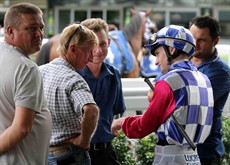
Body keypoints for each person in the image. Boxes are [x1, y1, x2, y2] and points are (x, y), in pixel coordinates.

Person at [111, 25, 214, 165]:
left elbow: (143, 126)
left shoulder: (168, 81)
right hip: (194, 156)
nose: (156, 61)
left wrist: (119, 122)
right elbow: (167, 118)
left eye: (158, 53)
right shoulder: (204, 79)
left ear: (172, 50)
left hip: (169, 157)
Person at [39, 23, 99, 165]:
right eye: (89, 52)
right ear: (73, 49)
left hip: (43, 155)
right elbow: (91, 110)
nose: (91, 58)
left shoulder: (39, 71)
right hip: (70, 156)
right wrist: (84, 141)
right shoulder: (74, 79)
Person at [0, 3, 52, 164]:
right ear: (10, 31)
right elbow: (22, 128)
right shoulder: (26, 68)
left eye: (41, 27)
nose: (39, 34)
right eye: (31, 28)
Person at [79, 18, 126, 165]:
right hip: (78, 153)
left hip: (106, 152)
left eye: (103, 44)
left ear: (109, 43)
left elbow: (118, 111)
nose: (98, 50)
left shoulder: (114, 75)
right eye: (93, 44)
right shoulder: (74, 75)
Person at [189, 15, 230, 165]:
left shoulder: (220, 72)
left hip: (204, 152)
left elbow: (190, 103)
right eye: (191, 37)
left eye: (201, 40)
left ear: (216, 41)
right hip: (176, 149)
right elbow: (152, 93)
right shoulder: (179, 59)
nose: (194, 43)